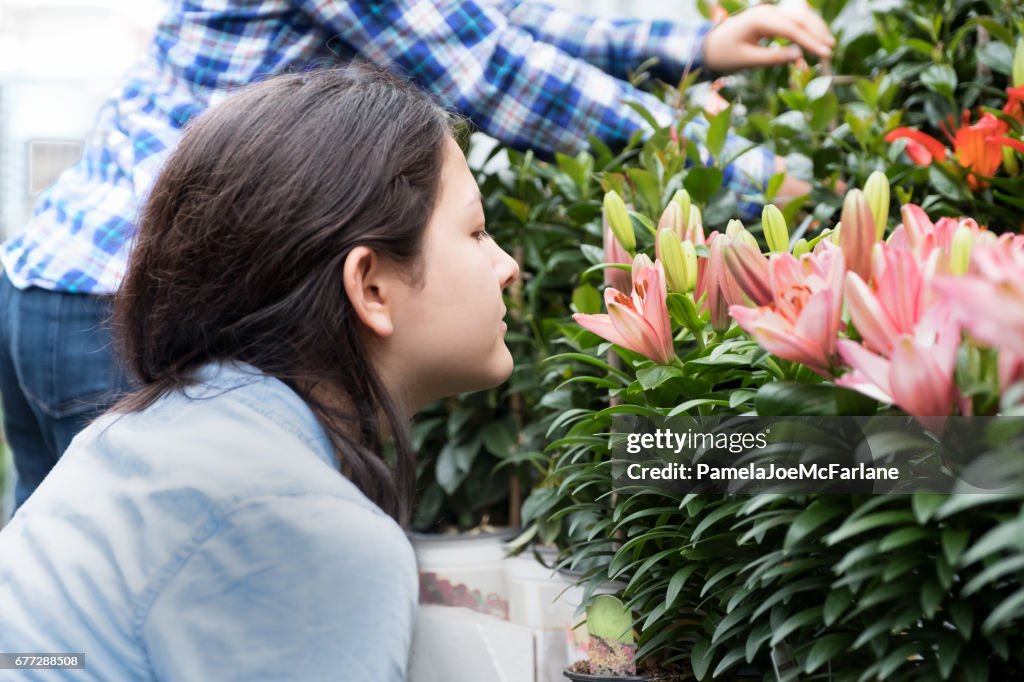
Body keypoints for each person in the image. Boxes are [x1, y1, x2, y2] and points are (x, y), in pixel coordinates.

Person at [0, 0, 834, 510]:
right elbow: (495, 70)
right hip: (126, 305)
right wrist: (749, 171)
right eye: (477, 236)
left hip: (51, 277)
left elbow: (492, 19)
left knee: (57, 620)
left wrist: (697, 42)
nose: (504, 264)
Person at [0, 65, 519, 679]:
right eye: (477, 231)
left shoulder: (145, 434)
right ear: (371, 285)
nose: (507, 266)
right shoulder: (303, 530)